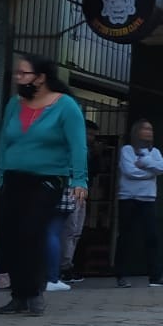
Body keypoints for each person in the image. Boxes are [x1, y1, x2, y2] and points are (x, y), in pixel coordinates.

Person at [0, 55, 88, 316]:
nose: (18, 78)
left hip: (47, 179)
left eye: (24, 74)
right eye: (17, 74)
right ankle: (18, 295)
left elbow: (78, 145)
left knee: (32, 232)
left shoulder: (65, 106)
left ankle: (35, 292)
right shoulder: (15, 104)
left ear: (40, 77)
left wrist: (80, 179)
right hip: (14, 177)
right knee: (11, 236)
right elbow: (4, 140)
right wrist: (0, 174)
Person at [116, 119, 163, 288]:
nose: (148, 132)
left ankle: (156, 276)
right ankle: (121, 275)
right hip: (128, 198)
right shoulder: (127, 150)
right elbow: (129, 171)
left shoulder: (155, 152)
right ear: (136, 131)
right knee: (126, 237)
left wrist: (145, 163)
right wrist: (151, 173)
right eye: (145, 128)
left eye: (150, 128)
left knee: (152, 237)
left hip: (148, 199)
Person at [58, 119, 102, 284]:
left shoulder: (88, 151)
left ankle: (68, 264)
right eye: (89, 134)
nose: (91, 138)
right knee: (69, 229)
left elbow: (95, 172)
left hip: (82, 191)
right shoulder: (72, 147)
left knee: (76, 230)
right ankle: (64, 266)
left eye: (93, 135)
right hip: (71, 188)